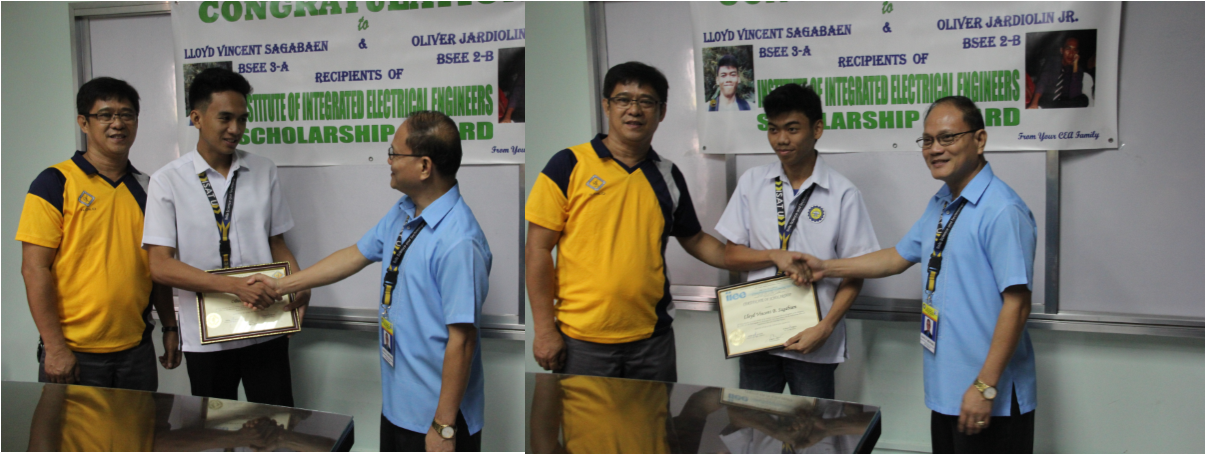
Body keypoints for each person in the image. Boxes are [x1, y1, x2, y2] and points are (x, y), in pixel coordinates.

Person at [802, 96, 1037, 453]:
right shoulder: (941, 202)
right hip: (949, 392)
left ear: (980, 139)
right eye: (927, 140)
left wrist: (984, 387)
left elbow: (1017, 306)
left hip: (989, 397)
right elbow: (896, 257)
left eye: (947, 138)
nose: (934, 149)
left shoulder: (1001, 209)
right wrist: (825, 267)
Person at [247, 111, 491, 453]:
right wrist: (281, 286)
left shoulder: (459, 241)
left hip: (435, 420)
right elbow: (355, 255)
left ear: (424, 166)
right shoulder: (406, 211)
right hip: (398, 407)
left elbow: (462, 342)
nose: (388, 160)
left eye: (395, 153)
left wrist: (444, 427)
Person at [526, 61, 729, 382]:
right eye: (623, 99)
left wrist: (765, 258)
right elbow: (537, 249)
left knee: (652, 430)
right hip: (581, 340)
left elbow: (697, 240)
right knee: (587, 433)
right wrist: (543, 330)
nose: (634, 110)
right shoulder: (568, 164)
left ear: (661, 112)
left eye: (646, 101)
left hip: (652, 339)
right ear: (607, 105)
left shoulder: (667, 174)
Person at [142, 67, 307, 406]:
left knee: (276, 428)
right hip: (208, 337)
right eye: (225, 118)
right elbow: (159, 266)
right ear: (196, 117)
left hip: (266, 326)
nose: (236, 130)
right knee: (216, 433)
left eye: (242, 119)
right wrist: (232, 286)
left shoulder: (263, 170)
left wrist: (299, 285)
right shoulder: (166, 181)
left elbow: (278, 244)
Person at [714, 83, 880, 399]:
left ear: (817, 128)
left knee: (813, 437)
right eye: (773, 129)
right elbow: (731, 256)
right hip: (757, 334)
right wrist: (774, 256)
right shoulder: (753, 182)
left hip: (812, 341)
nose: (781, 140)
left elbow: (857, 271)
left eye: (792, 129)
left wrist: (826, 327)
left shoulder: (843, 193)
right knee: (754, 431)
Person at [17, 77, 179, 392]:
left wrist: (170, 326)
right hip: (73, 352)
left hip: (136, 351)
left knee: (136, 440)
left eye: (127, 114)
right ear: (84, 123)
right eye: (105, 115)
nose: (117, 123)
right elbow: (34, 269)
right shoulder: (54, 183)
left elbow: (158, 268)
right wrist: (55, 347)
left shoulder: (148, 189)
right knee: (70, 441)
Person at [1029, 36, 1088, 109]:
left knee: (1083, 99)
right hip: (1047, 100)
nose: (1071, 53)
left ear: (1077, 53)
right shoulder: (1053, 62)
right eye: (1068, 49)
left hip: (1064, 104)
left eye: (1074, 50)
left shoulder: (1077, 70)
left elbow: (1074, 95)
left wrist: (1075, 68)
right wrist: (1034, 103)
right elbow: (1042, 82)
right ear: (1062, 50)